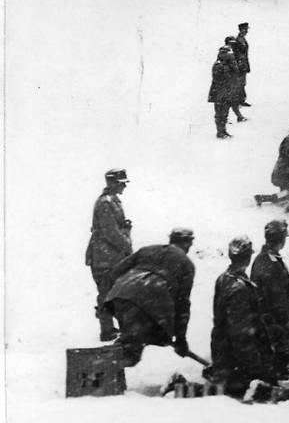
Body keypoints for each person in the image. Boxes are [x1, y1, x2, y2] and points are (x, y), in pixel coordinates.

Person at [104, 227, 195, 367]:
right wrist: (181, 339)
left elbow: (115, 272)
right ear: (187, 243)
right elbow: (183, 304)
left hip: (121, 295)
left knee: (130, 340)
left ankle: (105, 366)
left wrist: (118, 292)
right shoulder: (186, 264)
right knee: (132, 349)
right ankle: (104, 370)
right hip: (149, 304)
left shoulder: (147, 250)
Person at [208, 236, 276, 398]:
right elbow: (240, 333)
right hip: (236, 361)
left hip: (224, 353)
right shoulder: (239, 288)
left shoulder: (224, 279)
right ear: (248, 258)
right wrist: (255, 364)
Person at [85, 168, 133, 341]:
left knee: (116, 292)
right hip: (104, 258)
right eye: (121, 183)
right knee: (107, 293)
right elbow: (111, 232)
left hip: (112, 257)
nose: (124, 187)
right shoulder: (105, 203)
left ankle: (116, 329)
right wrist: (127, 245)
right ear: (112, 183)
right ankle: (107, 331)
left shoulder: (113, 201)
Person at [250, 221, 289, 377]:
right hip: (273, 324)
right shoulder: (271, 262)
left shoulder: (262, 259)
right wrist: (287, 323)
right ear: (282, 239)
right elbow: (277, 299)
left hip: (266, 321)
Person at [208, 45, 243, 138]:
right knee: (220, 113)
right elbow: (219, 78)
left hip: (226, 91)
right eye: (228, 54)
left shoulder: (228, 64)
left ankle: (223, 130)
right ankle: (220, 132)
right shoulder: (219, 65)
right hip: (220, 92)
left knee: (224, 112)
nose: (231, 55)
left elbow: (235, 74)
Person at [233, 22, 251, 107]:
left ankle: (241, 100)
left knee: (242, 83)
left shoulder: (242, 39)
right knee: (239, 83)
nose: (246, 31)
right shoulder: (238, 40)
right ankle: (238, 101)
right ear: (242, 30)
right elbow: (237, 54)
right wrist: (238, 64)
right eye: (245, 29)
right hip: (240, 64)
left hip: (243, 64)